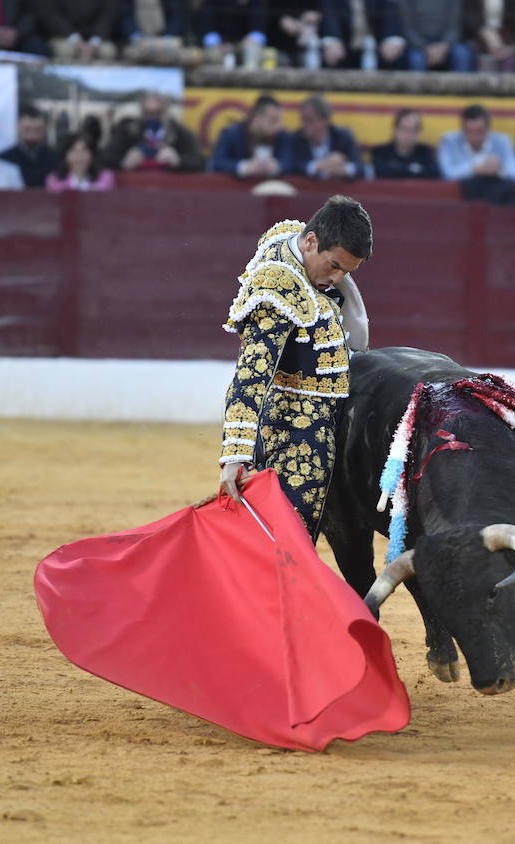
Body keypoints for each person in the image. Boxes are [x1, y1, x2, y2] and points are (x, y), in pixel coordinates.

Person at [216, 195, 373, 538]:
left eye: (346, 271)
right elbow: (250, 376)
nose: (337, 277)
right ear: (311, 241)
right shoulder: (278, 287)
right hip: (294, 437)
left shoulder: (295, 242)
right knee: (288, 541)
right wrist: (235, 456)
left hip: (314, 423)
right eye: (333, 265)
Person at [437, 104, 515, 203]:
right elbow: (446, 174)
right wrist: (475, 168)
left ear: (488, 128)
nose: (474, 136)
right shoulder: (449, 141)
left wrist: (499, 169)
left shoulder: (502, 141)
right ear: (462, 128)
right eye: (469, 131)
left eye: (479, 131)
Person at [103, 91, 206, 174]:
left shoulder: (180, 132)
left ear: (166, 111)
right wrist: (123, 162)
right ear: (141, 112)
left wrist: (178, 161)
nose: (152, 118)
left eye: (157, 113)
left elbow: (200, 162)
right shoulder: (128, 130)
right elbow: (105, 158)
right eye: (147, 113)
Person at [211, 94, 292, 179]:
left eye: (279, 120)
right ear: (256, 118)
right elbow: (216, 163)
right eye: (273, 120)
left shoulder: (282, 135)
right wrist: (245, 167)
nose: (278, 126)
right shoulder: (230, 134)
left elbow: (291, 161)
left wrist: (276, 166)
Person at [286, 94, 362, 179]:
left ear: (325, 121)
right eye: (303, 119)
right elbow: (290, 165)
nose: (304, 125)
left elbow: (360, 168)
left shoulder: (343, 136)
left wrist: (344, 169)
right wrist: (317, 166)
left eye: (309, 120)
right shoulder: (296, 138)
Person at [321, 0, 408, 69]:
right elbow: (330, 17)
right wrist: (333, 40)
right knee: (330, 55)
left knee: (397, 56)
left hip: (376, 45)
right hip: (345, 44)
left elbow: (389, 15)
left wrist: (390, 39)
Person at [400, 0, 475, 71]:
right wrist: (425, 48)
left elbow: (454, 26)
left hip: (446, 43)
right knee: (416, 59)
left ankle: (460, 85)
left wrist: (443, 47)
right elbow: (408, 29)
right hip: (419, 45)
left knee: (462, 54)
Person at [0, 106, 57, 189]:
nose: (33, 134)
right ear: (18, 128)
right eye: (27, 129)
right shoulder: (2, 161)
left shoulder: (56, 160)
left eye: (38, 129)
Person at [36, 0, 119, 60]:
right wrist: (76, 41)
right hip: (64, 35)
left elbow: (108, 16)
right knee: (65, 50)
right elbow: (51, 15)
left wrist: (94, 43)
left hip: (96, 36)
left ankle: (101, 83)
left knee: (107, 51)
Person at [371, 108, 440, 179]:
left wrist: (399, 170)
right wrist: (414, 170)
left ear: (420, 132)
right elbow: (382, 173)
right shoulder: (380, 152)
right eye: (404, 129)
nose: (408, 135)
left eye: (414, 130)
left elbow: (433, 176)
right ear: (395, 130)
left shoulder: (425, 152)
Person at [119, 0, 187, 62]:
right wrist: (134, 35)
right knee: (130, 53)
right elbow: (125, 15)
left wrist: (169, 35)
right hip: (139, 41)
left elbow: (175, 16)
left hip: (163, 40)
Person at [45, 132, 116, 191]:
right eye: (73, 151)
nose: (79, 156)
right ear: (65, 155)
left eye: (84, 150)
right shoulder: (54, 180)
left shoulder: (106, 177)